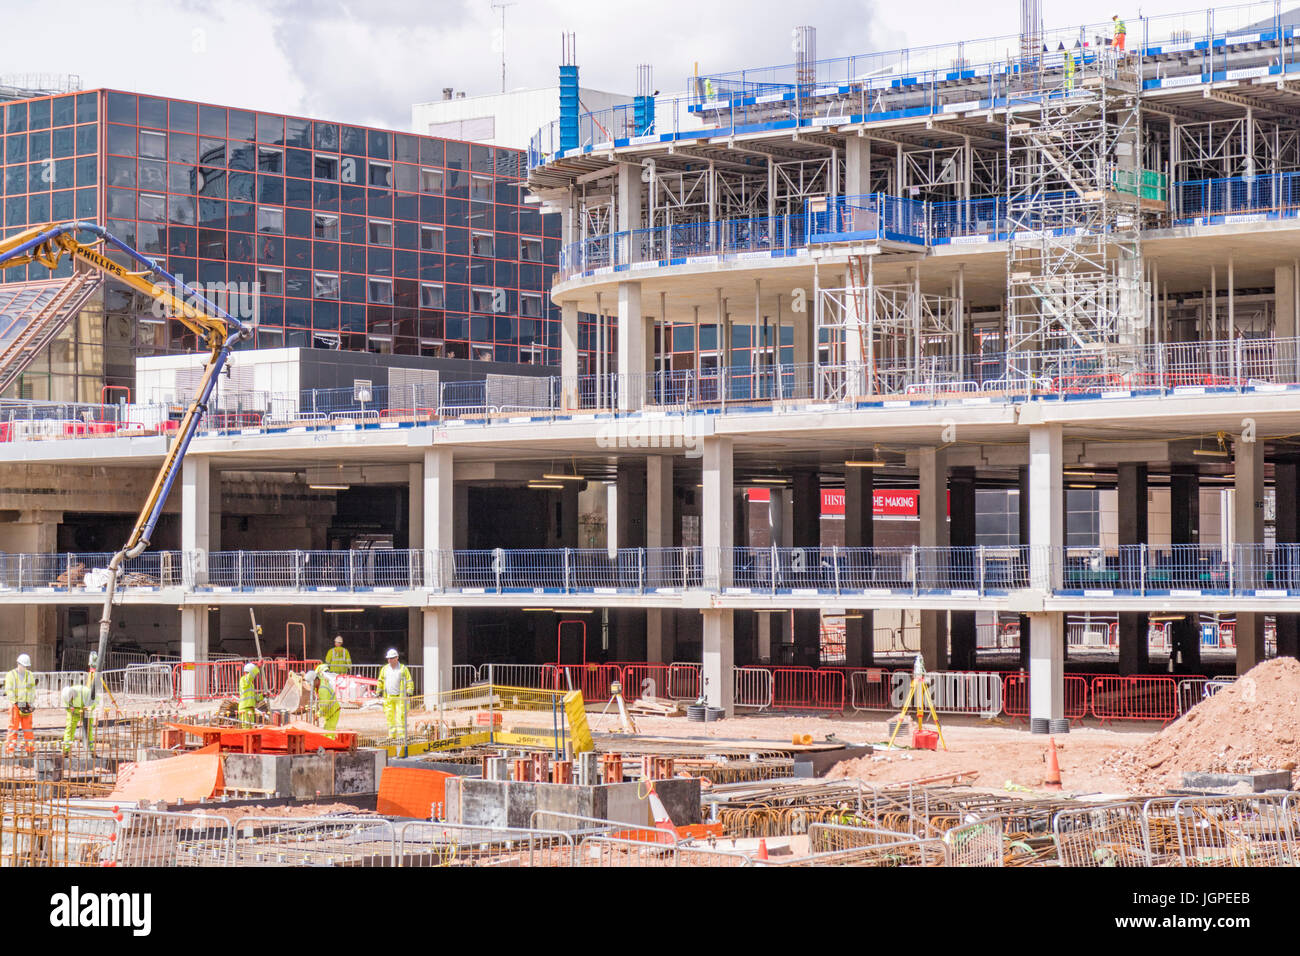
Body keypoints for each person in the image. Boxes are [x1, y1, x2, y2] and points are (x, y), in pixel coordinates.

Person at [378, 649, 414, 740]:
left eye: (391, 658)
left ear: (397, 658)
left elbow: (409, 681)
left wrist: (409, 692)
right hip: (388, 697)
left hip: (400, 698)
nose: (389, 660)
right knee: (389, 716)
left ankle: (402, 736)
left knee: (400, 717)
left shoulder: (403, 669)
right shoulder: (385, 669)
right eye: (388, 658)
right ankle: (392, 735)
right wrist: (378, 691)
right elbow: (380, 681)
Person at [4, 654, 36, 755]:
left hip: (25, 705)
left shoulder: (29, 674)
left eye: (26, 666)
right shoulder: (11, 675)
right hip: (15, 705)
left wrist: (30, 703)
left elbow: (32, 690)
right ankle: (10, 751)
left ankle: (30, 750)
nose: (24, 667)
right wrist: (16, 702)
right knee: (13, 728)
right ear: (18, 664)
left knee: (28, 728)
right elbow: (9, 690)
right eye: (23, 665)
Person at [305, 664, 340, 738]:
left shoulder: (322, 689)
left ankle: (330, 747)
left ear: (315, 680)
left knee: (329, 732)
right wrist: (314, 707)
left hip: (333, 712)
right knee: (326, 730)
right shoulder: (320, 683)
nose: (311, 686)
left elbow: (324, 706)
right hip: (330, 712)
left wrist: (317, 714)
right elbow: (319, 701)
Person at [60, 683, 94, 756]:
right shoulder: (65, 696)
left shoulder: (85, 691)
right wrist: (75, 712)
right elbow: (67, 708)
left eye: (72, 699)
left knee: (89, 729)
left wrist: (91, 707)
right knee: (69, 729)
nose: (71, 701)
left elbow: (95, 700)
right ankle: (66, 750)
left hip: (87, 711)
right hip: (74, 712)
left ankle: (90, 749)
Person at [238, 662, 263, 729]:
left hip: (250, 709)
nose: (254, 677)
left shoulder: (250, 685)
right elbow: (250, 676)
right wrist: (257, 667)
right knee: (246, 729)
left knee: (250, 729)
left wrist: (263, 696)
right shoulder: (243, 680)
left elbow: (254, 698)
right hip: (244, 709)